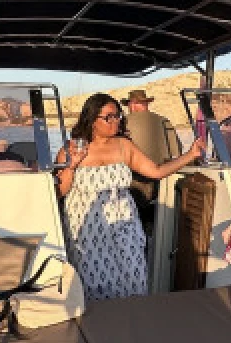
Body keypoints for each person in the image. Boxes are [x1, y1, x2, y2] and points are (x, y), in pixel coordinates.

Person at [55, 93, 205, 301]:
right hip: (86, 229)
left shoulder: (124, 146)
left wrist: (190, 155)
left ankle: (132, 326)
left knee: (132, 277)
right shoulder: (71, 149)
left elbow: (156, 171)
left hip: (124, 224)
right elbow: (59, 191)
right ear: (92, 120)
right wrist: (71, 165)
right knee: (91, 285)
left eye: (117, 116)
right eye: (109, 117)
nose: (115, 121)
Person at [121, 89, 183, 230]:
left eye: (134, 104)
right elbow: (176, 152)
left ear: (131, 105)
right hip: (160, 182)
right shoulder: (164, 122)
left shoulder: (122, 123)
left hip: (132, 182)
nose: (133, 107)